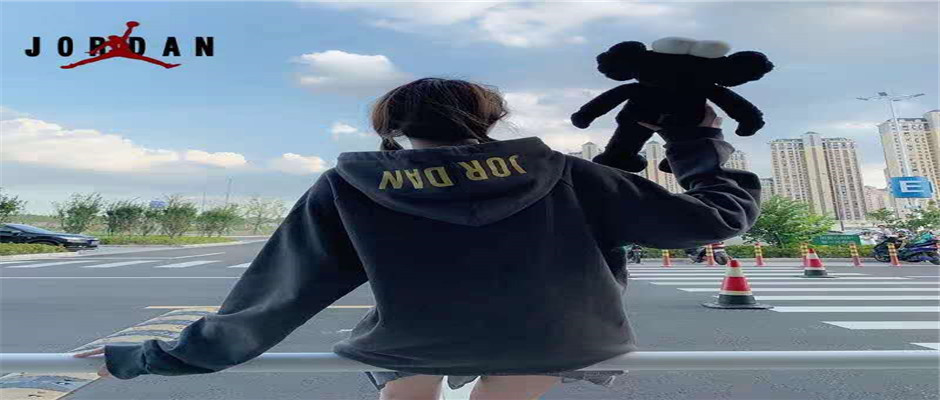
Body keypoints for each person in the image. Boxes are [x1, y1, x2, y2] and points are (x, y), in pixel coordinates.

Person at [78, 78, 760, 400]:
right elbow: (713, 220)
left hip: (415, 343)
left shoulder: (349, 185)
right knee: (519, 368)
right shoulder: (564, 173)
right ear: (491, 118)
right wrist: (695, 141)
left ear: (391, 127)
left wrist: (146, 358)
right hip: (559, 338)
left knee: (404, 380)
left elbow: (273, 299)